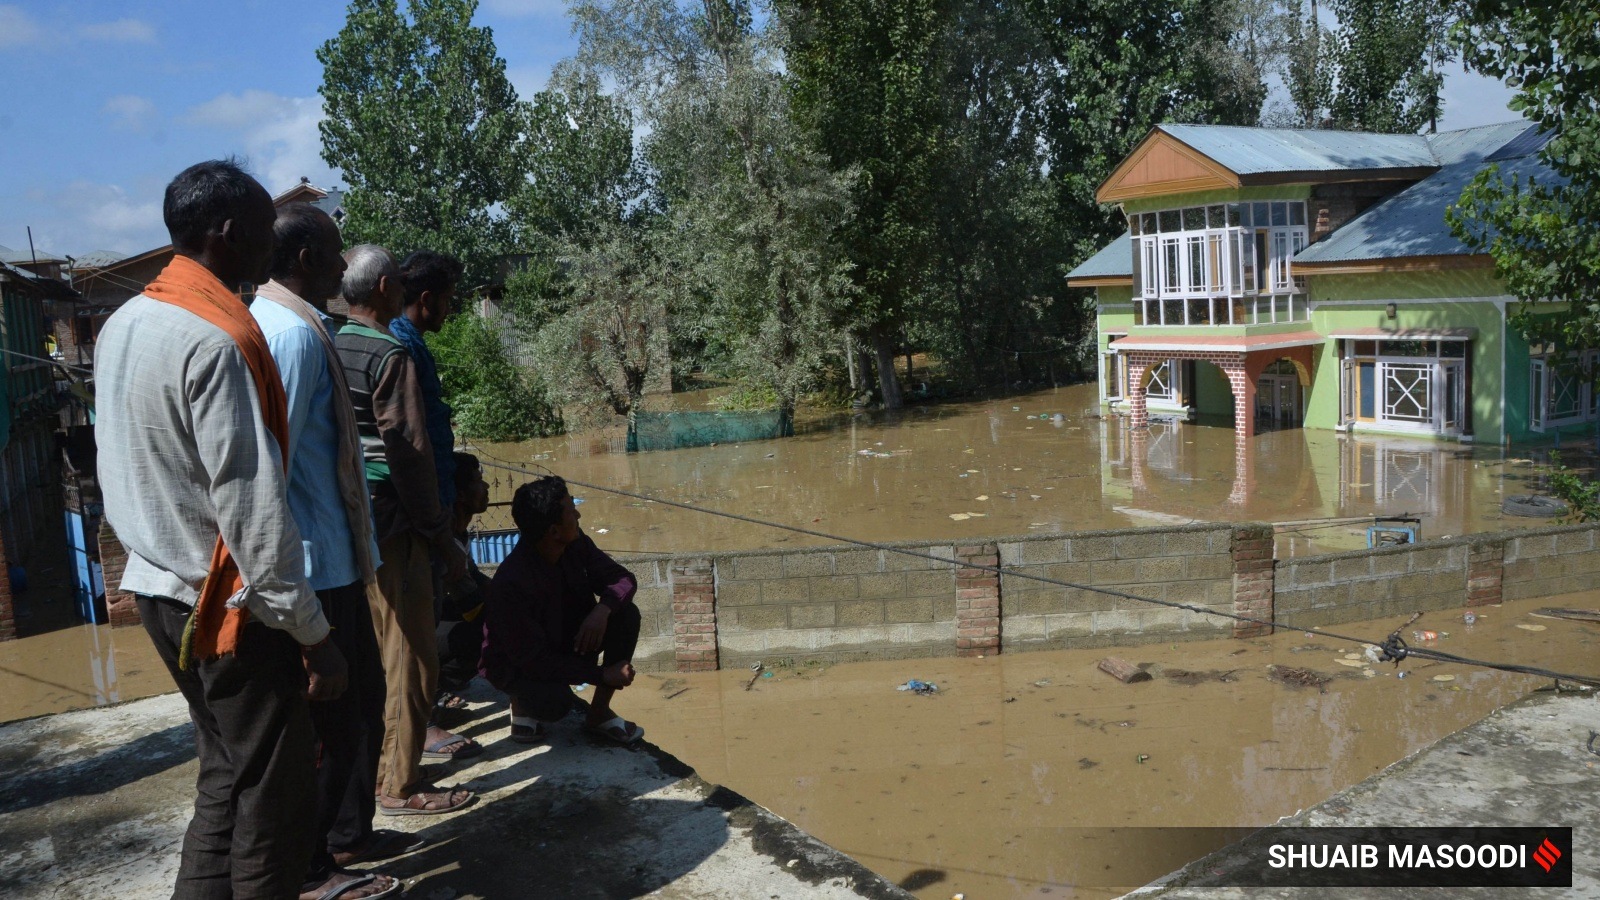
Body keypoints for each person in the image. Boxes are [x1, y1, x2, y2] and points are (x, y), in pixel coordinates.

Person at [96, 159, 348, 898]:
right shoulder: (216, 341)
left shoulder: (126, 322)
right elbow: (251, 508)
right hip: (225, 607)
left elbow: (120, 467)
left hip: (156, 585)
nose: (273, 246)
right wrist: (314, 635)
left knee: (225, 776)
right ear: (228, 233)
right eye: (267, 231)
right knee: (275, 801)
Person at [251, 204, 411, 895]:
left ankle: (346, 837)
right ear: (309, 257)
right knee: (333, 723)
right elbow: (267, 474)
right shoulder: (286, 335)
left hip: (336, 559)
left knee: (361, 707)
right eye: (338, 254)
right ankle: (314, 867)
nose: (346, 268)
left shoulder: (303, 326)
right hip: (312, 567)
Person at [335, 245, 476, 816]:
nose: (450, 309)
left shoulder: (332, 340)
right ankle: (400, 781)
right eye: (447, 300)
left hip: (360, 519)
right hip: (400, 522)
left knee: (378, 649)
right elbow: (410, 452)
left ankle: (379, 767)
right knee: (413, 655)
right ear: (400, 291)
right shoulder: (395, 351)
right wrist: (442, 533)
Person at [481, 475, 645, 745]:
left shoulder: (577, 544)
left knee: (626, 615)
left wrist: (603, 609)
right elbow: (533, 659)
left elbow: (623, 579)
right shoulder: (513, 581)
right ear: (554, 531)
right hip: (521, 663)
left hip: (563, 639)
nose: (578, 514)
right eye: (571, 510)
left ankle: (599, 714)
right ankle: (520, 703)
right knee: (553, 705)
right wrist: (602, 674)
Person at [391, 250, 463, 512]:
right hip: (426, 501)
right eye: (447, 300)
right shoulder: (404, 347)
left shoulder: (408, 339)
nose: (448, 310)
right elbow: (411, 436)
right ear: (427, 300)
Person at [437, 452, 491, 701]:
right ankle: (438, 687)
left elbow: (476, 577)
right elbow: (472, 604)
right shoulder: (448, 545)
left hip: (434, 619)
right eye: (479, 481)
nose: (487, 486)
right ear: (459, 495)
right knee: (491, 629)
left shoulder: (458, 532)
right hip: (420, 632)